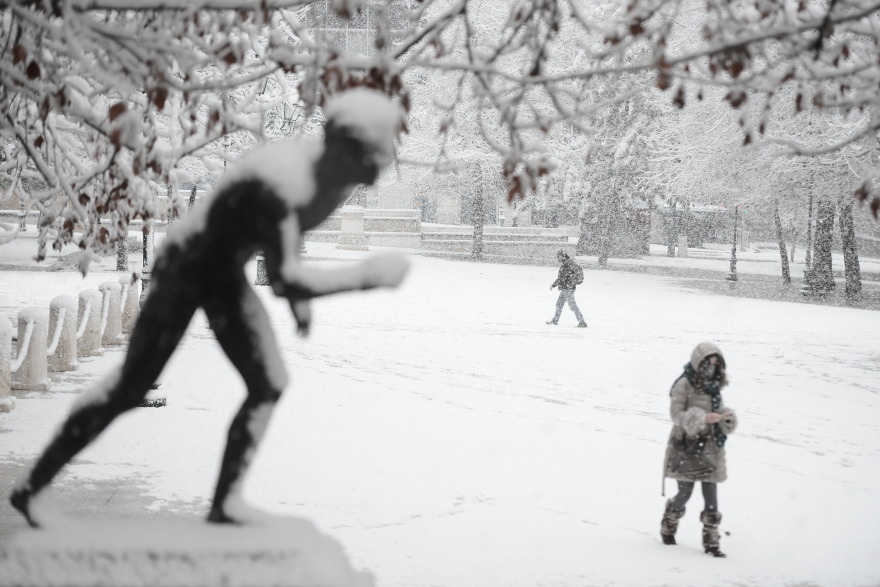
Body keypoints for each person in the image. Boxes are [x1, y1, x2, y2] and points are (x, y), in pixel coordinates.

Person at [10, 88, 409, 527]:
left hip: (222, 277)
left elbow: (288, 247)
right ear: (343, 148)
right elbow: (283, 277)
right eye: (371, 159)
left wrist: (300, 304)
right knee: (131, 387)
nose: (375, 172)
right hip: (185, 269)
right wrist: (366, 277)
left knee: (268, 384)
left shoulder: (330, 182)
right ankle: (32, 488)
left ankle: (225, 504)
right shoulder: (281, 184)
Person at [660, 341, 737, 557]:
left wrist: (726, 419)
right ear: (699, 363)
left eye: (715, 365)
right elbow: (676, 415)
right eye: (708, 364)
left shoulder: (714, 388)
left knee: (711, 494)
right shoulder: (683, 384)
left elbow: (719, 412)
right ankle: (669, 522)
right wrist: (702, 418)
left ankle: (711, 542)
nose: (711, 369)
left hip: (710, 447)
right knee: (685, 492)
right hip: (686, 446)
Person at [547, 250, 587, 327]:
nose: (558, 258)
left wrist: (572, 282)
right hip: (565, 288)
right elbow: (561, 278)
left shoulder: (570, 264)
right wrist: (553, 285)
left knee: (572, 305)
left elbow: (575, 276)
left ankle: (582, 322)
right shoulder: (564, 266)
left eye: (559, 256)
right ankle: (555, 320)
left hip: (569, 288)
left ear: (563, 256)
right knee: (559, 304)